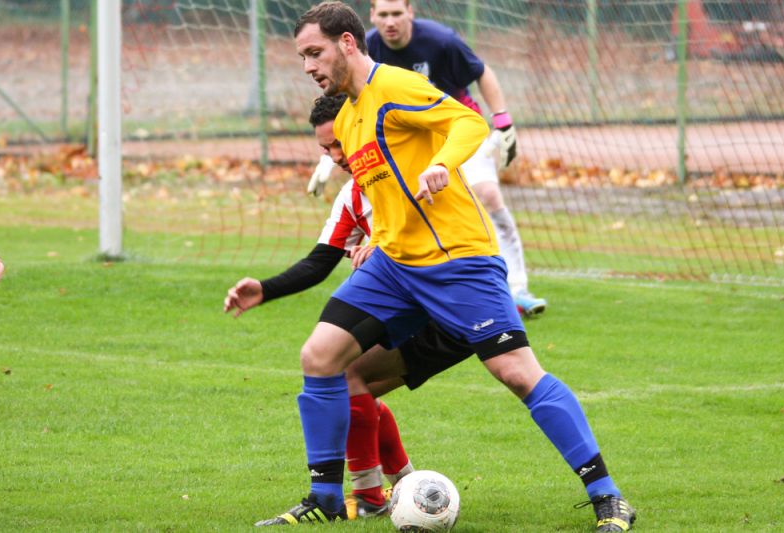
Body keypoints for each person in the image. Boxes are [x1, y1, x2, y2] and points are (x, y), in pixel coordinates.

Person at [260, 2, 635, 531]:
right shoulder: (346, 118)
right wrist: (377, 241)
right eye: (302, 56)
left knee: (516, 372)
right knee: (321, 356)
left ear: (346, 43)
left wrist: (441, 163)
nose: (307, 66)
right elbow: (384, 192)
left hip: (458, 260)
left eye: (314, 53)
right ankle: (326, 496)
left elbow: (467, 120)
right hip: (395, 266)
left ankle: (607, 496)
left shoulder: (395, 86)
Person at [225, 94, 477, 522]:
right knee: (344, 381)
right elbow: (320, 262)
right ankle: (399, 487)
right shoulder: (352, 195)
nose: (336, 156)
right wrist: (264, 289)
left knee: (344, 378)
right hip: (413, 312)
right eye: (325, 149)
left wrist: (382, 246)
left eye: (338, 144)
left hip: (455, 310)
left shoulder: (413, 173)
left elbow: (435, 232)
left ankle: (371, 494)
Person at [308, 0, 547, 317]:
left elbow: (481, 73)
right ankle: (420, 285)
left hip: (453, 130)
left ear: (411, 12)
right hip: (406, 141)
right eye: (383, 14)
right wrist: (329, 159)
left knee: (488, 194)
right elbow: (350, 115)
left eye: (397, 13)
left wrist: (502, 121)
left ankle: (517, 288)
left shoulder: (440, 41)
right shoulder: (364, 51)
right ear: (372, 16)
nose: (390, 21)